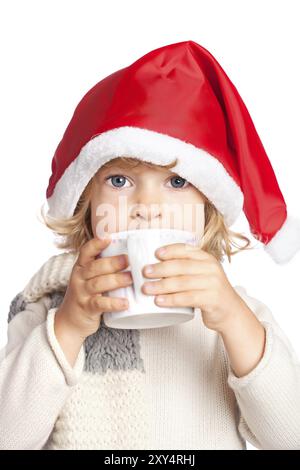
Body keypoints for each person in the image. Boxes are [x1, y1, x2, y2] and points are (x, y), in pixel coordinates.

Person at [1, 40, 300, 450]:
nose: (147, 208)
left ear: (207, 206)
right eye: (119, 181)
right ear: (86, 203)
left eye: (177, 183)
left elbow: (291, 437)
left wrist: (233, 319)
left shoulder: (233, 316)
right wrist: (68, 326)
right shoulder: (47, 310)